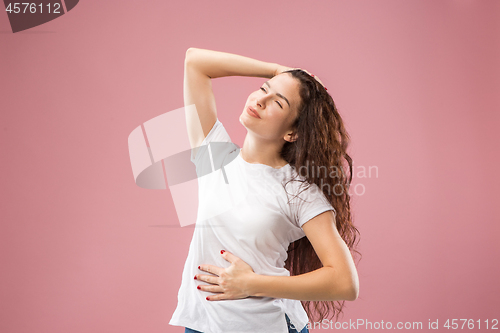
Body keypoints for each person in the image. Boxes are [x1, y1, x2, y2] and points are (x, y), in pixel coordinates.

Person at [169, 48, 360, 333]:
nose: (260, 100)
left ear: (292, 133)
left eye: (277, 102)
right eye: (263, 90)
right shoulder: (214, 155)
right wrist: (277, 71)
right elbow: (195, 62)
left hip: (264, 325)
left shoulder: (297, 190)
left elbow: (345, 282)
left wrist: (251, 283)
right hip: (201, 324)